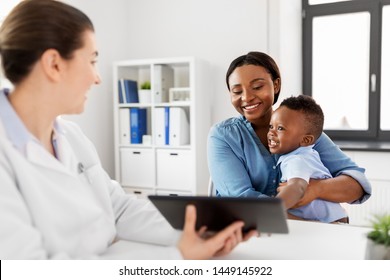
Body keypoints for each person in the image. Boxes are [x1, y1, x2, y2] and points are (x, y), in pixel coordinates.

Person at [0, 0, 257, 260]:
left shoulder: (70, 136)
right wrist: (175, 257)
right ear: (54, 64)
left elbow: (119, 208)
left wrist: (199, 232)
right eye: (91, 61)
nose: (97, 77)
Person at [207, 51, 371, 210]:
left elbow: (357, 185)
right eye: (237, 91)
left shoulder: (302, 129)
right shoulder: (224, 136)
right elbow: (242, 202)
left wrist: (315, 189)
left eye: (257, 87)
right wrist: (304, 219)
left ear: (276, 85)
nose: (246, 97)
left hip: (302, 231)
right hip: (247, 232)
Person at [268, 95, 348, 223]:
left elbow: (297, 187)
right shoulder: (303, 155)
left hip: (332, 224)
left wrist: (274, 207)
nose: (271, 133)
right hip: (332, 219)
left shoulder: (298, 159)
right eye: (271, 126)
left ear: (306, 140)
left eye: (280, 128)